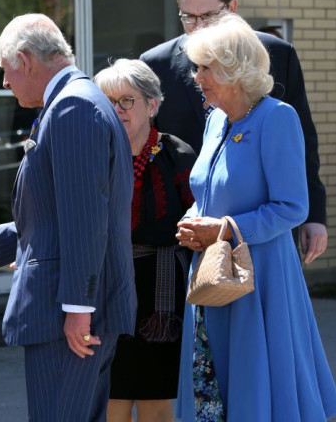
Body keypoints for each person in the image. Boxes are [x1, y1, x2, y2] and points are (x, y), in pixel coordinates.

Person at [0, 13, 137, 422]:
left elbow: (86, 219)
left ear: (25, 60)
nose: (4, 83)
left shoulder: (72, 106)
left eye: (5, 71)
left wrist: (78, 309)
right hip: (76, 309)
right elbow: (59, 212)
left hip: (68, 315)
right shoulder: (76, 100)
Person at [174, 13, 336, 421]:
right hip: (213, 271)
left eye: (206, 68)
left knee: (258, 393)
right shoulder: (215, 120)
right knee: (214, 386)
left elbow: (292, 207)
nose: (197, 77)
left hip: (260, 278)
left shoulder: (277, 117)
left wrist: (227, 229)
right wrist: (195, 220)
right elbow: (210, 190)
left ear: (235, 68)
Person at [141, 0, 327, 264]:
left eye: (208, 16)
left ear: (233, 7)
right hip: (183, 233)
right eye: (189, 17)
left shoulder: (275, 54)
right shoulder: (155, 63)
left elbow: (302, 139)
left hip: (260, 234)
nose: (198, 27)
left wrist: (314, 214)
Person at [93, 59, 196, 422]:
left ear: (152, 105)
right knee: (111, 399)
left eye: (127, 100)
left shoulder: (177, 155)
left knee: (155, 402)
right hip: (107, 291)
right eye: (108, 101)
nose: (117, 110)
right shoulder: (93, 154)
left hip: (161, 297)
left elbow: (199, 219)